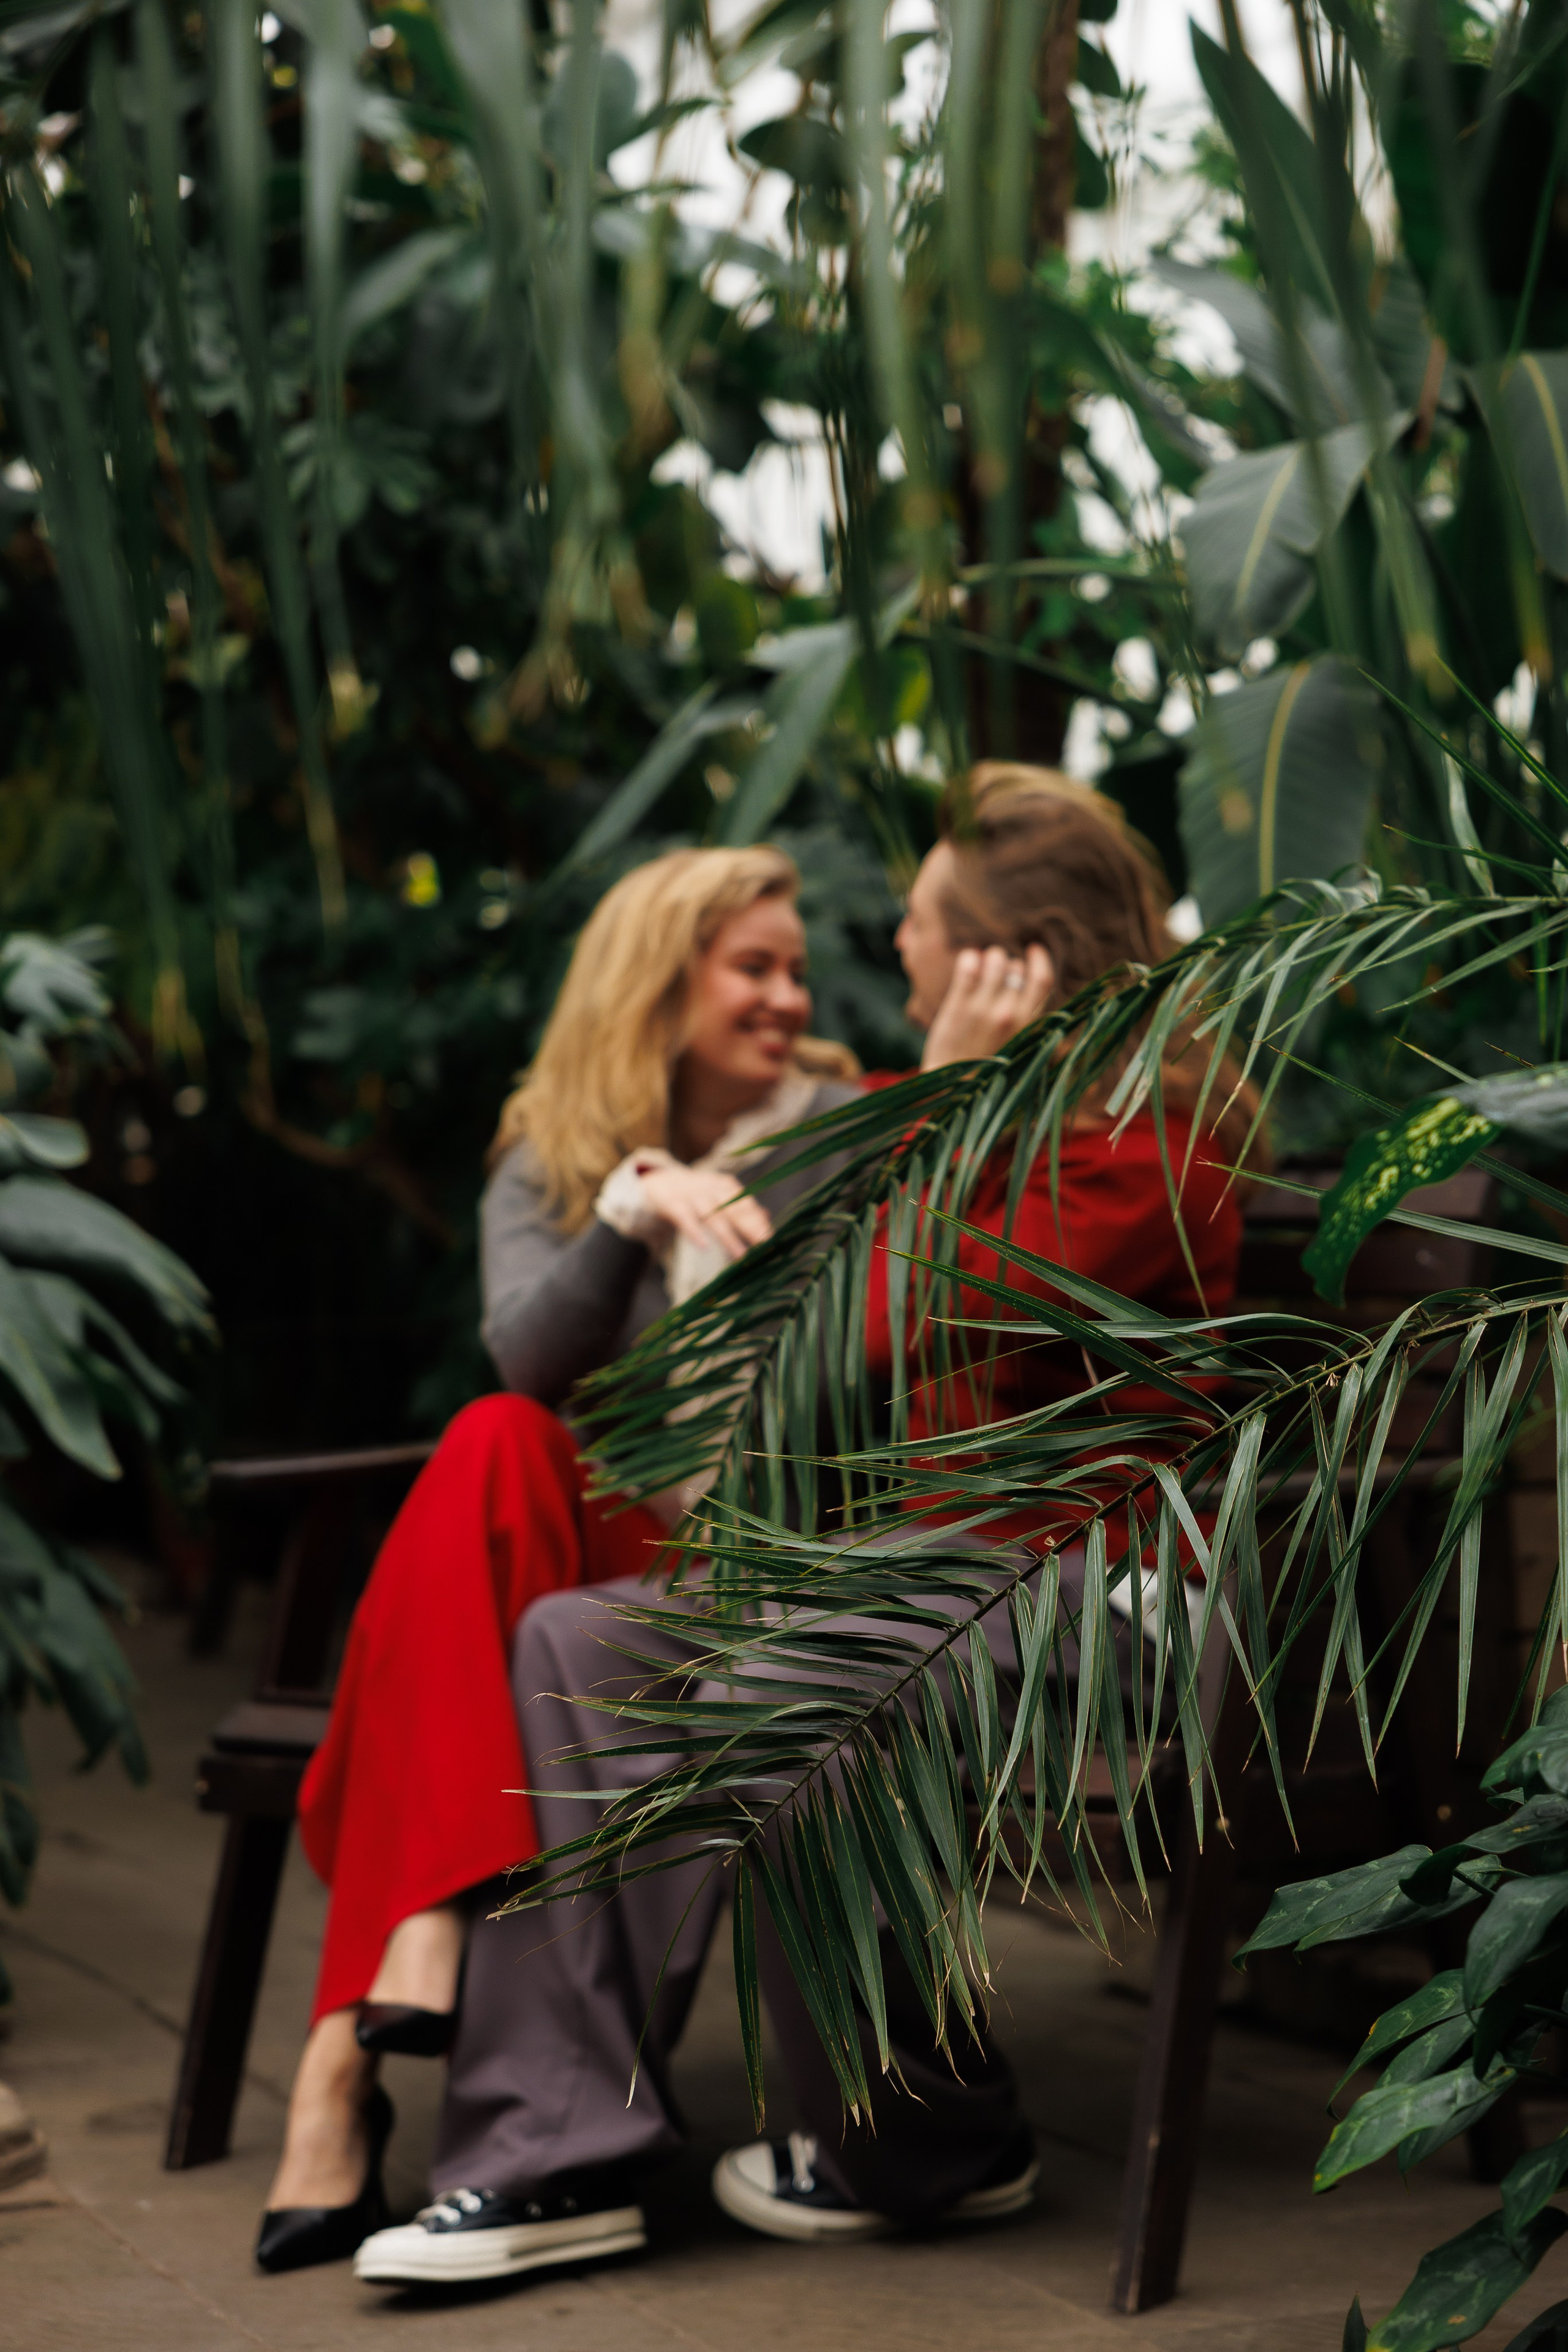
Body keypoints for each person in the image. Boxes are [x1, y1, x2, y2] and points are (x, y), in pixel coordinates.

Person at [347, 767, 1253, 2292]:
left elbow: (847, 1334)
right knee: (581, 1639)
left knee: (800, 1654)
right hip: (920, 1587)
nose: (886, 950)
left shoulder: (1129, 1142)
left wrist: (929, 1095)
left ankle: (930, 2134)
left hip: (1095, 1599)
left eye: (914, 925)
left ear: (1001, 961)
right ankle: (549, 2153)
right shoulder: (1010, 1123)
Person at [256, 844, 862, 2273]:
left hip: (736, 1550)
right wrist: (628, 1217)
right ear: (659, 981)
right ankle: (372, 2018)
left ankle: (354, 2034)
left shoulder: (836, 1127)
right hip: (567, 1557)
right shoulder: (554, 1148)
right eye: (752, 967)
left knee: (488, 1473)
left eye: (794, 967)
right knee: (495, 1438)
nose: (788, 996)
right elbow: (528, 1354)